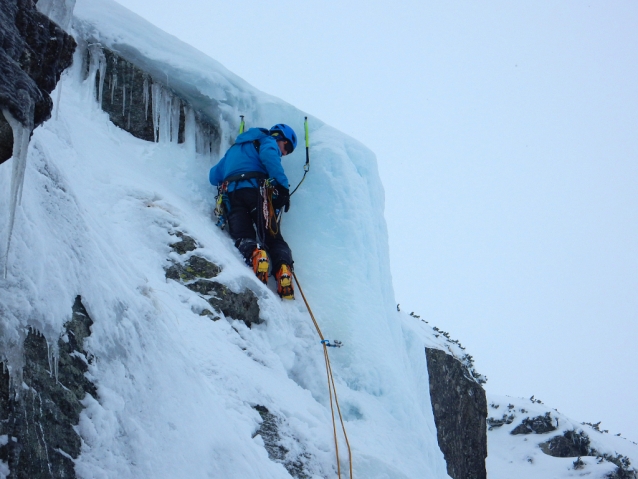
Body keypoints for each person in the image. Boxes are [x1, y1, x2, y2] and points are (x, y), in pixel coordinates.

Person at [209, 124, 296, 299]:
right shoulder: (267, 140)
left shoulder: (234, 149)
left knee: (243, 234)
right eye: (287, 148)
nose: (285, 153)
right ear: (280, 138)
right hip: (257, 193)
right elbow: (269, 156)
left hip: (231, 195)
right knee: (272, 237)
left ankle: (256, 255)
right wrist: (283, 188)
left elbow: (213, 176)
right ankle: (283, 270)